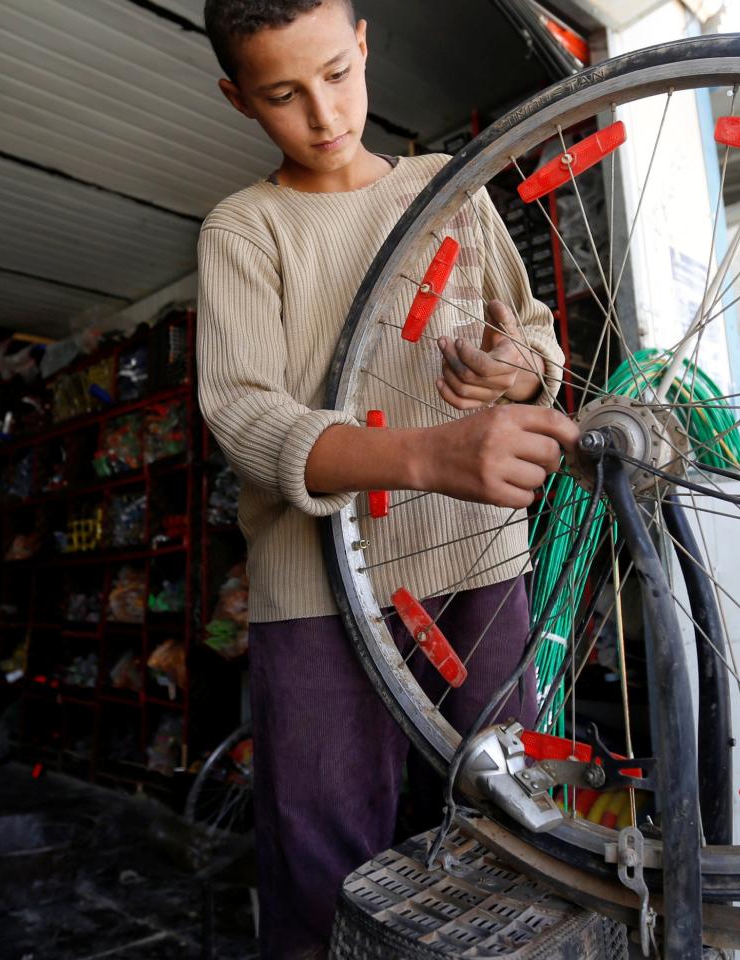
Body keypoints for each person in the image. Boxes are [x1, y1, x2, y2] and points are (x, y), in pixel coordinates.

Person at [197, 2, 580, 955]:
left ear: (365, 44)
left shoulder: (445, 190)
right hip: (317, 591)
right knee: (323, 859)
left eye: (336, 74)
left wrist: (513, 369)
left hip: (478, 567)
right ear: (237, 98)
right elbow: (244, 415)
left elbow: (532, 332)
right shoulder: (246, 229)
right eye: (283, 95)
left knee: (510, 824)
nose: (324, 114)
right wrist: (431, 455)